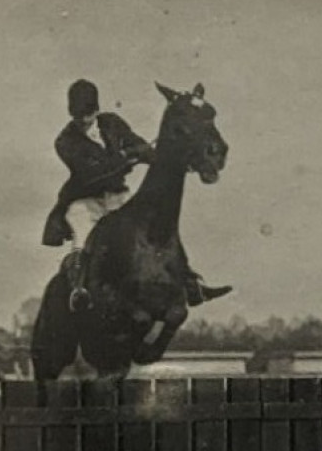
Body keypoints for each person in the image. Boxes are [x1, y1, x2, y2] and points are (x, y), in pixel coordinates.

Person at [41, 79, 229, 311]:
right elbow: (92, 173)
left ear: (96, 109)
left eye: (88, 114)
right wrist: (128, 156)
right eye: (79, 115)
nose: (84, 120)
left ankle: (191, 282)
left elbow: (137, 143)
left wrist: (155, 154)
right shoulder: (64, 141)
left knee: (156, 226)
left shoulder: (111, 122)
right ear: (72, 113)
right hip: (85, 200)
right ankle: (80, 289)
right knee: (82, 230)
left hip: (118, 196)